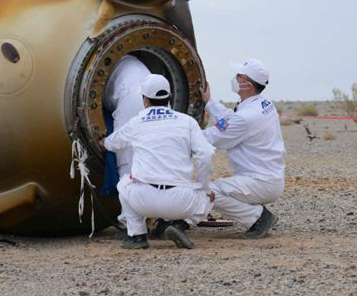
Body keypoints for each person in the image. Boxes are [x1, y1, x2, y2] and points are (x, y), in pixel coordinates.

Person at [102, 74, 215, 250]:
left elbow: (112, 143)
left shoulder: (136, 122)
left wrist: (102, 142)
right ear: (169, 97)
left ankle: (136, 236)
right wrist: (203, 185)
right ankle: (180, 226)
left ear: (145, 100)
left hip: (143, 200)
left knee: (124, 184)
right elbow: (206, 154)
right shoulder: (187, 122)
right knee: (210, 195)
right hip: (181, 202)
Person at [196, 58, 286, 239]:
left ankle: (258, 218)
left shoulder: (246, 117)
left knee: (208, 192)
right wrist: (209, 103)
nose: (235, 79)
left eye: (239, 76)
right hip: (269, 178)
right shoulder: (263, 105)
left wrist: (181, 135)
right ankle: (255, 214)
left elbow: (215, 137)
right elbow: (231, 121)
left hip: (260, 182)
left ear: (248, 85)